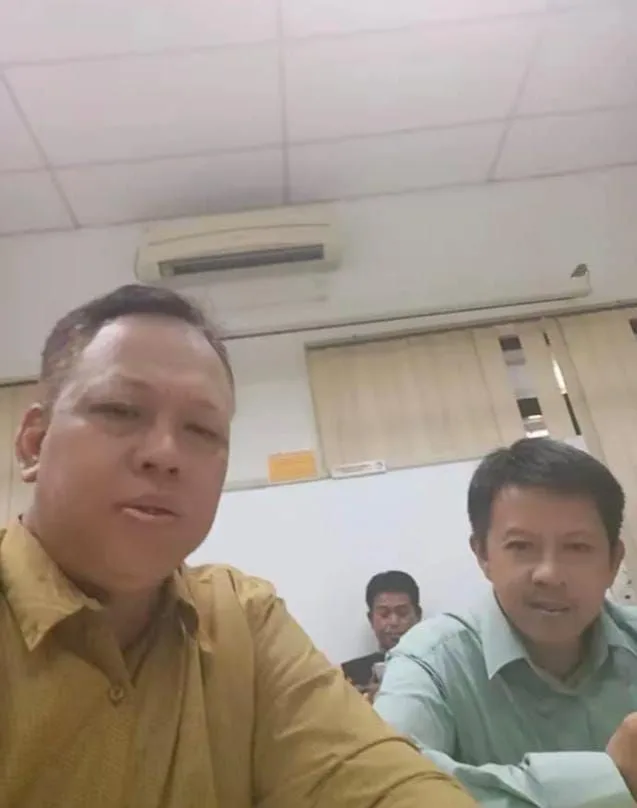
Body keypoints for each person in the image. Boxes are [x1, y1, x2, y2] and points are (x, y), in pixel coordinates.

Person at [0, 284, 475, 808]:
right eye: (119, 409)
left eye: (202, 430)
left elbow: (380, 783)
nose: (165, 453)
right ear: (33, 444)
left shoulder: (242, 621)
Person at [376, 437, 637, 808]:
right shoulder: (430, 661)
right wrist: (611, 779)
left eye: (577, 547)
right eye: (521, 546)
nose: (549, 574)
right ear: (483, 554)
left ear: (613, 561)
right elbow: (387, 786)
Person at [342, 571, 422, 694]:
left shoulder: (438, 669)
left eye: (402, 613)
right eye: (384, 614)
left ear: (418, 615)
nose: (394, 622)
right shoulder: (348, 675)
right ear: (371, 619)